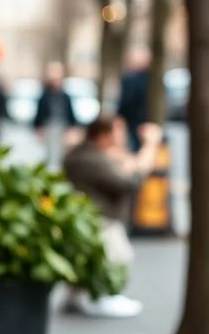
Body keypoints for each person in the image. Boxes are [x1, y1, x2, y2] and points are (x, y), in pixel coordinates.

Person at [61, 114, 162, 318]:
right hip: (98, 218)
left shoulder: (94, 154)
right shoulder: (89, 157)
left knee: (105, 258)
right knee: (115, 258)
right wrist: (150, 146)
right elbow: (128, 183)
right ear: (104, 135)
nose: (121, 138)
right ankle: (100, 297)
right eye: (118, 132)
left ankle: (82, 297)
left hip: (95, 216)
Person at [34, 61, 79, 169]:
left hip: (62, 126)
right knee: (50, 152)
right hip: (49, 125)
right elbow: (40, 112)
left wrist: (72, 128)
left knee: (61, 153)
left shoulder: (65, 96)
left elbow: (70, 113)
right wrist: (38, 127)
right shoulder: (45, 95)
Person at [117, 46, 151, 153]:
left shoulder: (131, 79)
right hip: (137, 120)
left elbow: (126, 102)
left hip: (134, 121)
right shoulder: (148, 79)